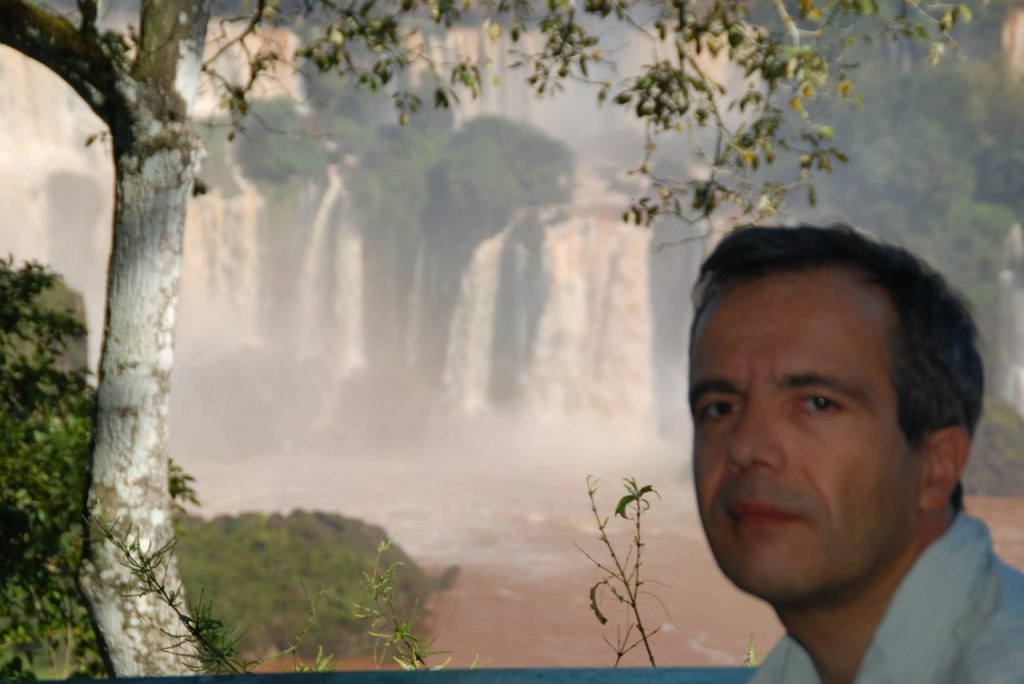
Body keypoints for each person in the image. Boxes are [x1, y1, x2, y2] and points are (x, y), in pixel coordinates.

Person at [687, 224, 1024, 683]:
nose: (747, 447)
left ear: (936, 466)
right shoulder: (806, 666)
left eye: (817, 403)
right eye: (720, 408)